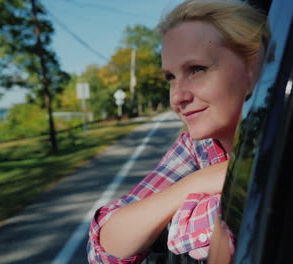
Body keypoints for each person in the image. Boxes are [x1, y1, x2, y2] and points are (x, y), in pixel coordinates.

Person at [87, 0, 268, 263]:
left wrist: (189, 217)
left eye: (197, 69)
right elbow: (103, 245)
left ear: (254, 67)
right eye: (171, 77)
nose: (177, 98)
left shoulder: (288, 134)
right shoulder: (199, 147)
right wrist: (197, 182)